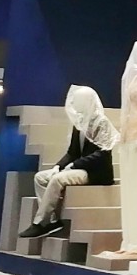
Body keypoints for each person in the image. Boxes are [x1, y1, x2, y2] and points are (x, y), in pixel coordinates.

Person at [20, 87, 116, 239]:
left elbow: (102, 154)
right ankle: (52, 220)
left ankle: (40, 223)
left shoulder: (101, 123)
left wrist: (75, 165)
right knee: (40, 177)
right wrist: (58, 166)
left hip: (95, 172)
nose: (74, 103)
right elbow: (72, 152)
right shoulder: (79, 123)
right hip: (80, 167)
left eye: (78, 100)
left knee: (58, 179)